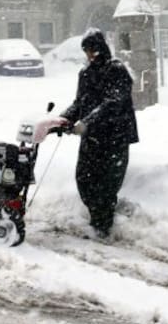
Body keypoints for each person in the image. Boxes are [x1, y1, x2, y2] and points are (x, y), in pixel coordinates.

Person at [59, 29, 139, 237]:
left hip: (115, 136)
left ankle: (103, 226)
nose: (90, 54)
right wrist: (63, 119)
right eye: (86, 51)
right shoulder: (86, 74)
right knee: (85, 179)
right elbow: (80, 102)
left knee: (107, 183)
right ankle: (97, 220)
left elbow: (113, 103)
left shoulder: (117, 71)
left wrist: (86, 122)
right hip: (92, 137)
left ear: (102, 47)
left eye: (93, 49)